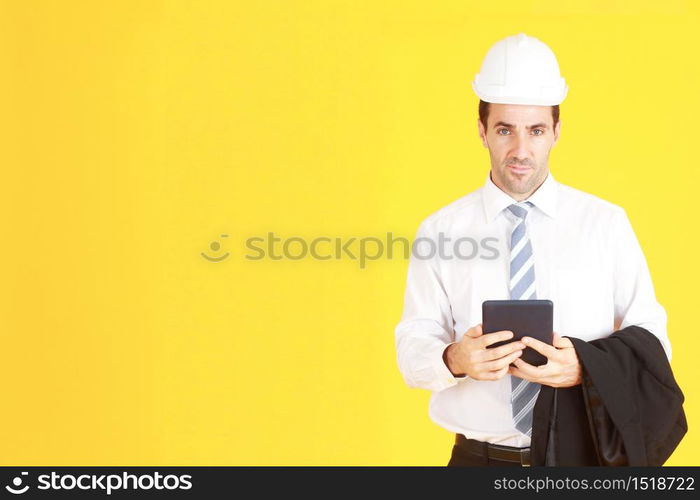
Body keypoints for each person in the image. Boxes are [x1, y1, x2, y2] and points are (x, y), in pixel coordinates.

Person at [394, 33, 672, 466]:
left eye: (536, 130)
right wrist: (455, 358)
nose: (520, 150)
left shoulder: (606, 224)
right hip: (477, 462)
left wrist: (585, 368)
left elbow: (652, 337)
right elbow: (413, 343)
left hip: (583, 460)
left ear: (556, 132)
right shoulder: (440, 231)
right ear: (482, 131)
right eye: (505, 130)